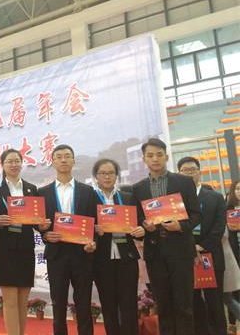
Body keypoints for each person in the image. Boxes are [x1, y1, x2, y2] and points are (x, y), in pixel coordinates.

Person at [131, 138, 201, 335]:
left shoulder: (184, 182)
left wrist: (181, 225)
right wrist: (145, 226)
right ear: (144, 159)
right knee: (163, 305)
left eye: (159, 155)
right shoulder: (138, 188)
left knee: (184, 305)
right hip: (155, 254)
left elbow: (196, 214)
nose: (155, 159)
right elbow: (137, 219)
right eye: (150, 155)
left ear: (166, 157)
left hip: (181, 252)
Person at [39, 144, 98, 335]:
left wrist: (93, 242)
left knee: (83, 302)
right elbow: (40, 223)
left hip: (82, 253)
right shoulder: (43, 193)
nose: (63, 160)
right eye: (59, 157)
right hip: (56, 254)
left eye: (67, 156)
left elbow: (95, 223)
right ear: (53, 162)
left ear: (73, 161)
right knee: (58, 302)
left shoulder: (87, 191)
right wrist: (45, 234)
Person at [0, 148, 50, 335]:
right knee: (9, 299)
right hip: (4, 247)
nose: (14, 164)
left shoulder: (31, 189)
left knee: (23, 299)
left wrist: (42, 225)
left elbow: (36, 221)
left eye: (17, 161)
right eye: (10, 161)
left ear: (22, 163)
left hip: (25, 247)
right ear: (2, 165)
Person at [92, 158, 145, 335]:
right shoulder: (89, 198)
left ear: (117, 176)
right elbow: (85, 226)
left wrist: (141, 230)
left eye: (111, 173)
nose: (107, 177)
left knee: (129, 304)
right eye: (103, 173)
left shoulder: (128, 197)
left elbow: (140, 224)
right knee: (109, 306)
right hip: (101, 259)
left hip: (127, 258)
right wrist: (94, 229)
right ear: (96, 176)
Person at [177, 156, 227, 335]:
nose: (189, 173)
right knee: (192, 303)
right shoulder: (175, 201)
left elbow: (219, 228)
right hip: (185, 258)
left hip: (211, 255)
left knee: (215, 302)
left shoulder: (215, 197)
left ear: (199, 172)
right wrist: (189, 248)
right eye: (185, 170)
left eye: (193, 169)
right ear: (179, 174)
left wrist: (200, 247)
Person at [224, 180, 240, 333]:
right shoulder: (227, 209)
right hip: (234, 253)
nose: (239, 191)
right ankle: (232, 323)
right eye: (237, 188)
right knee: (233, 290)